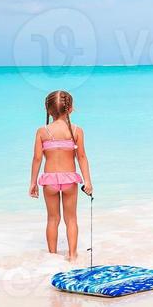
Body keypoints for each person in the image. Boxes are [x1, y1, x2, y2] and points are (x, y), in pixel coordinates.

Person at [29, 90, 94, 261]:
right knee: (71, 219)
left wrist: (33, 183)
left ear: (48, 110)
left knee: (52, 219)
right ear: (70, 109)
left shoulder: (42, 132)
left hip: (49, 180)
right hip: (69, 180)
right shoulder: (76, 131)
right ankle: (72, 256)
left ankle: (52, 258)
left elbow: (36, 158)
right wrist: (87, 181)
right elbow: (81, 157)